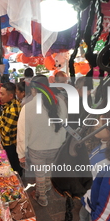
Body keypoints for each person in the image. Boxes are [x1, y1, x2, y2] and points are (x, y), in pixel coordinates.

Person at [17, 75, 67, 206]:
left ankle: (42, 197)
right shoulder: (60, 102)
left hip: (37, 149)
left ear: (33, 90)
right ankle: (47, 186)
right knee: (49, 168)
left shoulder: (27, 108)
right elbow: (64, 125)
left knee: (40, 172)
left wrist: (21, 154)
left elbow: (22, 135)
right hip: (56, 147)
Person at [0, 82, 22, 176]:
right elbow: (0, 119)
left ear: (10, 96)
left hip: (10, 144)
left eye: (2, 94)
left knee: (14, 165)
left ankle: (18, 180)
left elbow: (4, 132)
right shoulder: (8, 104)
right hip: (8, 142)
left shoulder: (13, 110)